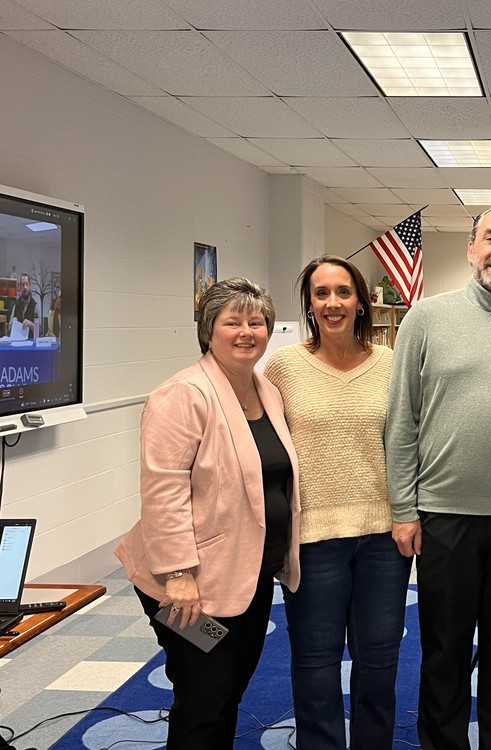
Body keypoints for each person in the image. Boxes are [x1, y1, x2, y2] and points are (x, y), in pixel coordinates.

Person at [386, 205, 491, 750]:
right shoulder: (424, 318)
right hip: (444, 518)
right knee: (444, 652)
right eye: (490, 238)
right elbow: (402, 419)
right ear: (470, 247)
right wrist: (403, 508)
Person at [115, 278, 301, 749]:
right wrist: (179, 573)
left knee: (231, 685)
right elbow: (163, 490)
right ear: (208, 331)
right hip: (185, 589)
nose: (246, 332)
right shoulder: (183, 395)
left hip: (248, 575)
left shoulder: (266, 391)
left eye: (256, 322)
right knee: (205, 694)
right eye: (232, 321)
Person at [264, 256, 411, 749]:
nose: (333, 303)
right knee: (314, 660)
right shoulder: (283, 367)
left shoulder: (392, 364)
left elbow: (408, 444)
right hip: (312, 538)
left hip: (383, 536)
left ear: (360, 301)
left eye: (343, 292)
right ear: (309, 303)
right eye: (322, 293)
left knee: (379, 657)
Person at [10, 273, 37, 340]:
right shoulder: (16, 305)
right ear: (20, 286)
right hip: (17, 344)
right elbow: (9, 330)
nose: (25, 287)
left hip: (31, 345)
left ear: (29, 285)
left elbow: (40, 332)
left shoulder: (35, 306)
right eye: (23, 284)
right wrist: (13, 325)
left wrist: (31, 325)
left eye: (26, 284)